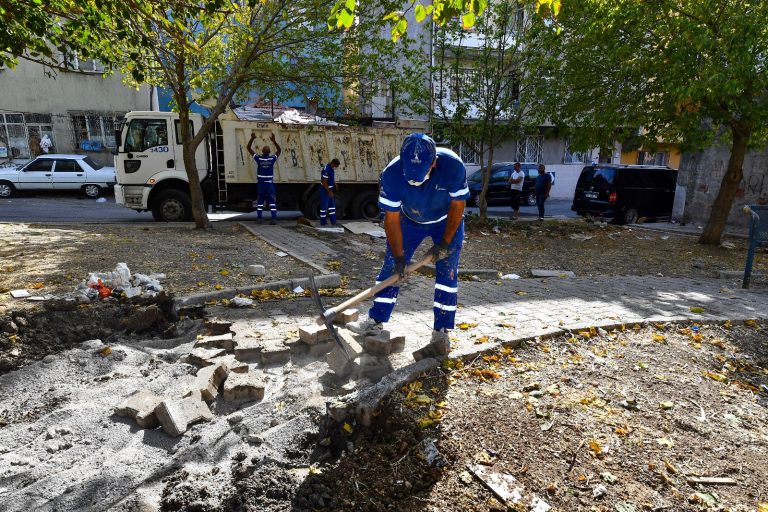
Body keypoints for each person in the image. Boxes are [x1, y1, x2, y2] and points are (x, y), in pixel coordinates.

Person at [348, 133, 469, 360]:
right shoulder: (391, 174)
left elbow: (458, 207)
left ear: (433, 163)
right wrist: (400, 257)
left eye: (419, 176)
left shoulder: (453, 166)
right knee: (391, 267)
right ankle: (375, 321)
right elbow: (391, 220)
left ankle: (441, 332)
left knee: (447, 272)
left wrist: (444, 242)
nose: (413, 181)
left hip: (446, 221)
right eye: (409, 176)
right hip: (409, 220)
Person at [247, 132, 282, 224]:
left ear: (262, 152)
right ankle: (274, 219)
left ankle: (259, 218)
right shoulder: (271, 159)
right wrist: (274, 141)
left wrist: (252, 138)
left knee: (260, 202)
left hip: (261, 184)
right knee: (272, 202)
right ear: (269, 152)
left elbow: (248, 148)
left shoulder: (259, 159)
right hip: (270, 184)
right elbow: (279, 151)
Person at [320, 158, 340, 226]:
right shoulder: (326, 169)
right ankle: (323, 222)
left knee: (332, 207)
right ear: (334, 164)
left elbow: (330, 178)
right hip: (324, 190)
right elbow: (324, 182)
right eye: (336, 166)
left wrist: (335, 184)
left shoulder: (331, 169)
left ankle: (333, 221)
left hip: (330, 189)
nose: (336, 167)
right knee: (324, 207)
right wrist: (329, 192)